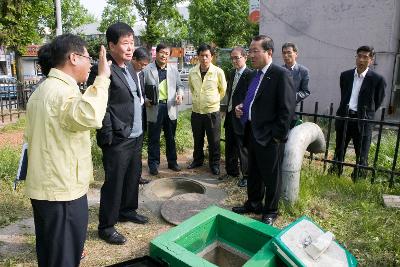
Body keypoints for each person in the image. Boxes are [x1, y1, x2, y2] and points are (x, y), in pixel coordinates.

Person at [24, 34, 111, 267]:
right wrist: (102, 78)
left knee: (51, 254)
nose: (91, 63)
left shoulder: (43, 90)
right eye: (88, 57)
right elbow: (91, 115)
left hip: (46, 190)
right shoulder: (63, 92)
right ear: (73, 58)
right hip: (62, 193)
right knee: (63, 259)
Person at [87, 22, 148, 245]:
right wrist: (107, 136)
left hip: (136, 134)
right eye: (125, 43)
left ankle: (127, 210)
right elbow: (101, 105)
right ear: (111, 45)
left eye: (132, 43)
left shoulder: (130, 67)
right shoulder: (103, 70)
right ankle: (106, 225)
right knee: (114, 182)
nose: (131, 48)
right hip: (118, 137)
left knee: (132, 175)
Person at [232, 35, 295, 225]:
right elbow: (254, 100)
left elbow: (287, 110)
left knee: (271, 176)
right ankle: (253, 203)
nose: (251, 55)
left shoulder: (280, 74)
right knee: (254, 172)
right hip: (252, 131)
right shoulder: (255, 74)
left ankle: (271, 210)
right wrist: (241, 107)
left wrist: (277, 137)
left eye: (255, 51)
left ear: (269, 52)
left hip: (270, 136)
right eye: (250, 51)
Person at [329, 45, 386, 178]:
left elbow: (377, 102)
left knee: (362, 153)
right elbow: (344, 94)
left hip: (363, 120)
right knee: (339, 150)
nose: (361, 60)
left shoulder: (378, 80)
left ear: (371, 60)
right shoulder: (346, 75)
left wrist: (365, 113)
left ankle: (358, 178)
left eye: (365, 57)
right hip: (345, 117)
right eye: (359, 56)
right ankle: (335, 173)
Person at [143, 44, 184, 175]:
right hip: (154, 107)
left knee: (170, 137)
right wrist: (144, 99)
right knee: (154, 138)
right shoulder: (147, 69)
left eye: (167, 53)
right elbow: (141, 88)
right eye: (162, 52)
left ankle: (172, 162)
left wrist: (180, 94)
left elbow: (180, 86)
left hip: (170, 107)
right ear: (157, 53)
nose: (164, 55)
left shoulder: (173, 70)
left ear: (169, 55)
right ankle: (153, 164)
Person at [187, 44, 227, 175]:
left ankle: (214, 164)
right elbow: (192, 88)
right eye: (201, 55)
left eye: (207, 56)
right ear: (197, 56)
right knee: (197, 138)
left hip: (212, 112)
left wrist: (212, 101)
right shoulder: (192, 72)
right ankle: (197, 160)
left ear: (211, 57)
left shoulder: (218, 72)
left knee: (214, 140)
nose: (204, 58)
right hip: (197, 112)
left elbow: (223, 90)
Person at [220, 47, 254, 187]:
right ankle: (231, 171)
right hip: (230, 115)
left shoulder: (251, 74)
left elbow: (250, 96)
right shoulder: (232, 73)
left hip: (242, 117)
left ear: (245, 57)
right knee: (230, 145)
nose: (234, 60)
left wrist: (242, 107)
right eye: (232, 58)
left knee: (242, 147)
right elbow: (230, 93)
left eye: (237, 57)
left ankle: (246, 175)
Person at [131, 47, 151, 184]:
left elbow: (141, 91)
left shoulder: (141, 74)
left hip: (141, 115)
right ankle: (131, 178)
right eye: (141, 64)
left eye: (145, 65)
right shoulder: (127, 73)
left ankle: (137, 176)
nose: (143, 67)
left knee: (138, 149)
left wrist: (145, 99)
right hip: (131, 117)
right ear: (133, 60)